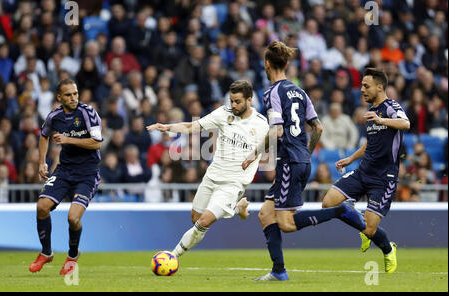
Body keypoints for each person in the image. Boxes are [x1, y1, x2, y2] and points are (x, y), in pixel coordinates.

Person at [241, 41, 365, 281]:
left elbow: (276, 131)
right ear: (286, 64)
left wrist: (254, 153)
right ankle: (279, 271)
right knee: (266, 215)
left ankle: (341, 210)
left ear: (267, 65)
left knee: (286, 224)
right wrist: (306, 153)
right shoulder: (300, 92)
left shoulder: (271, 92)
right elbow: (318, 128)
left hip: (289, 161)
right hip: (301, 160)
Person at [147, 80, 269, 258]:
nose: (233, 105)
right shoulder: (223, 113)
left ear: (250, 100)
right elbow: (192, 126)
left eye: (238, 102)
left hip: (233, 183)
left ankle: (171, 257)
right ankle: (236, 207)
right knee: (196, 219)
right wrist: (167, 127)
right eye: (231, 101)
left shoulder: (260, 124)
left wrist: (253, 158)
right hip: (212, 176)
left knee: (204, 221)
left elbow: (269, 144)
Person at [322, 68, 410, 274]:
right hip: (363, 171)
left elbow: (405, 123)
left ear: (380, 87)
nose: (362, 90)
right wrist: (350, 158)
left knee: (370, 230)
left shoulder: (390, 107)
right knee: (327, 202)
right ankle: (360, 220)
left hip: (384, 178)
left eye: (366, 86)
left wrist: (381, 120)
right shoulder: (372, 111)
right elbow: (369, 144)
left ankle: (388, 248)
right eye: (362, 85)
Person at [29, 79, 103, 275]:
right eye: (69, 95)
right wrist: (41, 162)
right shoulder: (55, 116)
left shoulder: (88, 112)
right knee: (42, 207)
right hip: (64, 170)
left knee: (73, 218)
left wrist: (68, 139)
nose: (74, 98)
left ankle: (72, 256)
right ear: (59, 97)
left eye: (76, 93)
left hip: (87, 173)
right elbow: (44, 135)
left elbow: (97, 143)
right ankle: (46, 253)